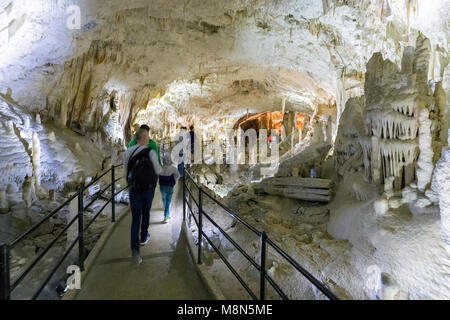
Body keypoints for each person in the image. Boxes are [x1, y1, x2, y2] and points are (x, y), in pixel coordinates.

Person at [123, 128, 162, 265]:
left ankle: (135, 252)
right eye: (148, 137)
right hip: (148, 189)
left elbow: (125, 171)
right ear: (144, 137)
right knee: (146, 213)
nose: (148, 139)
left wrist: (129, 184)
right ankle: (144, 236)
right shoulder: (150, 151)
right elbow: (158, 170)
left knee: (135, 219)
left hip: (134, 189)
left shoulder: (128, 152)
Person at [159, 152, 180, 222]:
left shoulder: (160, 168)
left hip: (161, 186)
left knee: (164, 198)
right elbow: (178, 175)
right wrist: (174, 182)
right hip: (169, 187)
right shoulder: (173, 168)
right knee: (168, 201)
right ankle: (166, 216)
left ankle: (166, 209)